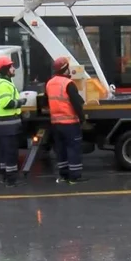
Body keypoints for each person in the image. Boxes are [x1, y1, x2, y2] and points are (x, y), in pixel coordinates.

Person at [46, 57, 88, 185]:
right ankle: (74, 177)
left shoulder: (49, 83)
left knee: (61, 150)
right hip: (70, 123)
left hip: (55, 123)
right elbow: (77, 103)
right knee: (73, 149)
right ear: (65, 69)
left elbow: (46, 101)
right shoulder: (68, 83)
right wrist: (83, 119)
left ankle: (63, 175)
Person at [0, 56, 26, 187]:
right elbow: (6, 103)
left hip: (4, 124)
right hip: (8, 124)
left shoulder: (2, 83)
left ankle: (5, 177)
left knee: (5, 152)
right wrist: (21, 102)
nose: (13, 68)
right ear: (5, 69)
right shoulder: (3, 85)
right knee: (11, 153)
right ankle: (11, 180)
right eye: (11, 66)